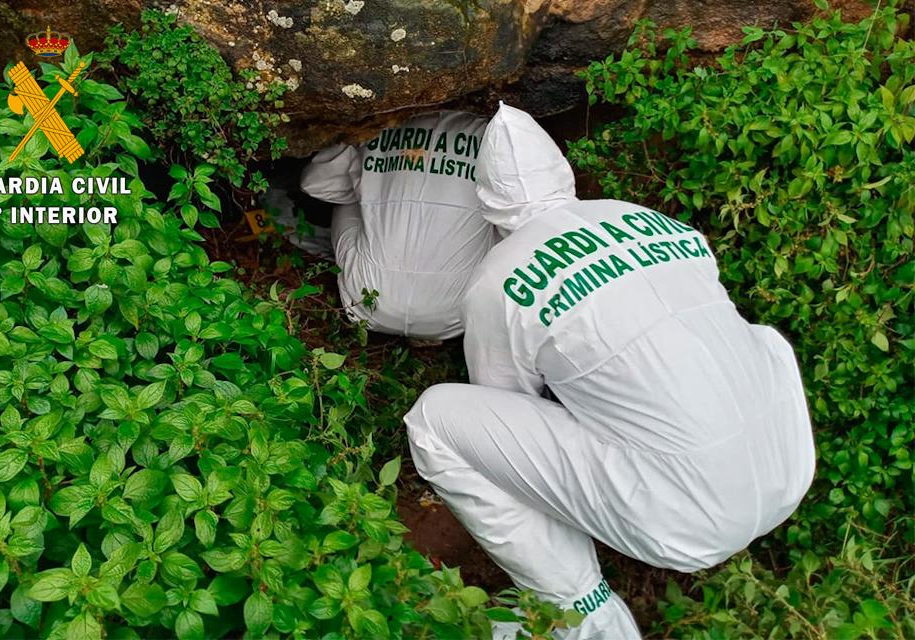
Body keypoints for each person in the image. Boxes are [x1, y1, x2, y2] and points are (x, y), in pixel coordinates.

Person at [405, 104, 816, 639]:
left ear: (486, 198)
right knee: (755, 340)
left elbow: (504, 406)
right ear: (564, 172)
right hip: (788, 468)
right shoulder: (649, 218)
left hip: (684, 521)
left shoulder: (499, 278)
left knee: (437, 421)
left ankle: (581, 614)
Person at [300, 111, 496, 340]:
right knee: (497, 212)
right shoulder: (491, 135)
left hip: (367, 303)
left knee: (353, 201)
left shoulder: (377, 123)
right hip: (453, 317)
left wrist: (372, 190)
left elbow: (314, 183)